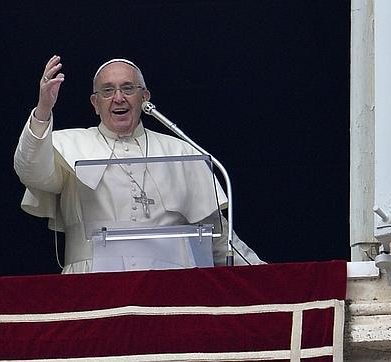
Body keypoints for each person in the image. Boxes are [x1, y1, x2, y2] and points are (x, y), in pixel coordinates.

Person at [14, 55, 264, 273]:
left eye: (128, 88)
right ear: (95, 103)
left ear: (145, 97)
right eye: (107, 90)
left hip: (171, 285)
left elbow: (218, 238)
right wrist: (43, 110)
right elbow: (31, 171)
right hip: (92, 283)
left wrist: (270, 278)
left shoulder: (179, 150)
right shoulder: (65, 145)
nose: (118, 98)